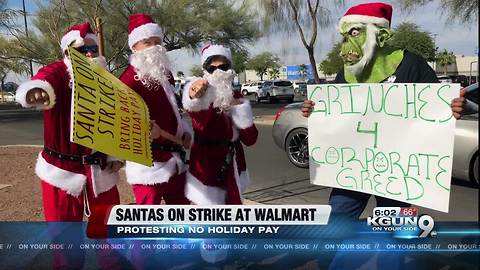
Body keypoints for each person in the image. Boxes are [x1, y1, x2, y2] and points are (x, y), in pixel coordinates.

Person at [15, 21, 122, 222]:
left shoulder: (105, 79)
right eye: (82, 50)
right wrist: (36, 91)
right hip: (61, 173)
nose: (89, 54)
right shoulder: (57, 72)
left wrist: (115, 156)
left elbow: (113, 119)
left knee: (109, 235)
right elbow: (42, 81)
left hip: (99, 172)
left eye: (93, 49)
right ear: (67, 53)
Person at [119, 13, 192, 205]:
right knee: (147, 221)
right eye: (147, 42)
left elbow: (173, 110)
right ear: (134, 47)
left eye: (157, 42)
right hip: (148, 165)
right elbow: (121, 120)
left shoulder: (166, 75)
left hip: (175, 159)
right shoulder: (127, 80)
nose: (154, 48)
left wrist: (184, 131)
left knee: (182, 218)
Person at [182, 44, 258, 205]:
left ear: (230, 68)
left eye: (223, 67)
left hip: (233, 165)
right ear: (205, 71)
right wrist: (194, 95)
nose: (218, 72)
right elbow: (197, 114)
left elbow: (251, 139)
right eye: (212, 68)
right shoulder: (201, 97)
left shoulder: (238, 97)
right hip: (206, 167)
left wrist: (238, 107)